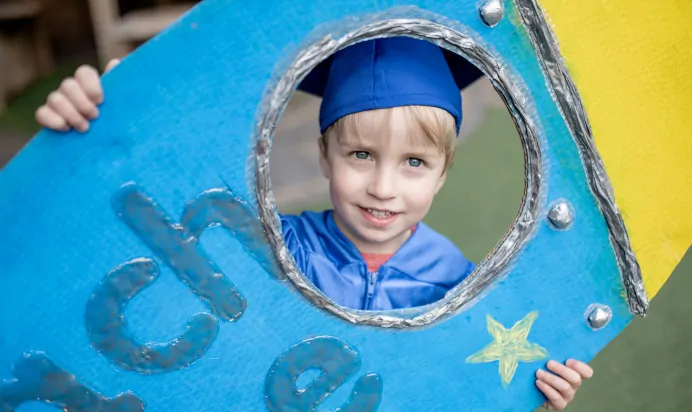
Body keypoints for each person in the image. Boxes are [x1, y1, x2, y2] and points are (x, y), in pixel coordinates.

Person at [35, 37, 593, 410]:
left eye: (415, 163)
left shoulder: (460, 285)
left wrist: (529, 397)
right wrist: (104, 118)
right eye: (361, 156)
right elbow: (157, 202)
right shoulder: (266, 244)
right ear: (325, 156)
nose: (383, 186)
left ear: (444, 174)